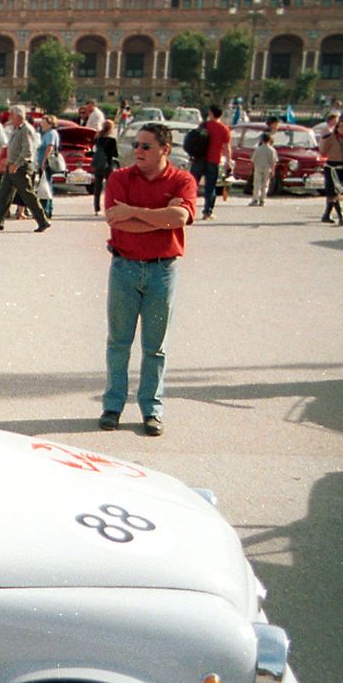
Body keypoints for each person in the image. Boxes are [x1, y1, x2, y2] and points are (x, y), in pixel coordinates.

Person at [99, 122, 198, 437]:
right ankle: (113, 407)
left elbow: (180, 218)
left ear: (164, 150)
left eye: (146, 146)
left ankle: (151, 410)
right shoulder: (119, 178)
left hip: (161, 271)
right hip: (124, 268)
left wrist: (134, 212)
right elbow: (117, 221)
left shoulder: (182, 180)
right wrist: (159, 219)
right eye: (136, 145)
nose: (137, 151)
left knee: (155, 347)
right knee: (119, 343)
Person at [0, 106, 49, 232]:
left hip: (20, 167)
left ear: (19, 117)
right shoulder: (18, 129)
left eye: (12, 116)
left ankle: (43, 221)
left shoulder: (26, 130)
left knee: (28, 195)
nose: (10, 118)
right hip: (12, 166)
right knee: (4, 194)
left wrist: (17, 163)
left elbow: (28, 151)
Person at [195, 104, 231, 220]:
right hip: (214, 160)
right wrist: (228, 162)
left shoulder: (203, 125)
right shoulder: (224, 128)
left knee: (192, 185)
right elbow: (226, 147)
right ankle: (207, 212)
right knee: (210, 188)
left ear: (211, 113)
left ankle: (185, 208)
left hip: (199, 159)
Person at [320, 119, 343, 226]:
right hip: (331, 167)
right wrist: (324, 140)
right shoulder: (331, 138)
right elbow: (323, 151)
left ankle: (326, 215)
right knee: (333, 192)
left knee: (336, 192)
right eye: (339, 127)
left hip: (341, 168)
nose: (341, 129)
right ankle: (341, 216)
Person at [35, 114, 61, 221]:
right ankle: (47, 209)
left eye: (44, 122)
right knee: (46, 184)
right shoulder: (46, 133)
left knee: (45, 185)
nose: (42, 124)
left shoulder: (51, 133)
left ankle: (46, 210)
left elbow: (50, 147)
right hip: (43, 161)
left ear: (50, 123)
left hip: (46, 162)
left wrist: (44, 160)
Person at [90, 118, 119, 215]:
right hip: (108, 165)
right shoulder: (112, 140)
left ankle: (96, 209)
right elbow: (115, 154)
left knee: (97, 187)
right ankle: (109, 207)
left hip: (98, 165)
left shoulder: (97, 138)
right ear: (111, 129)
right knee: (109, 187)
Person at [249, 131, 278, 206]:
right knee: (265, 184)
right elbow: (273, 161)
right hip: (267, 168)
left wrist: (253, 168)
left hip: (258, 168)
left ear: (262, 140)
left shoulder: (258, 149)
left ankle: (255, 199)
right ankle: (263, 200)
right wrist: (273, 171)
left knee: (257, 184)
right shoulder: (272, 150)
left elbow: (253, 160)